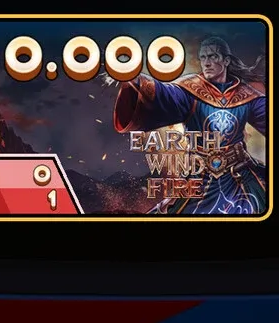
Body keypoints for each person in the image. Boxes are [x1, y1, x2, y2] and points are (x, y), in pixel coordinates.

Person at [113, 35, 268, 215]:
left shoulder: (247, 95)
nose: (206, 63)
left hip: (239, 175)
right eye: (203, 57)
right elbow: (165, 97)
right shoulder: (190, 90)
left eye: (213, 56)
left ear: (226, 60)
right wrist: (135, 81)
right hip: (199, 178)